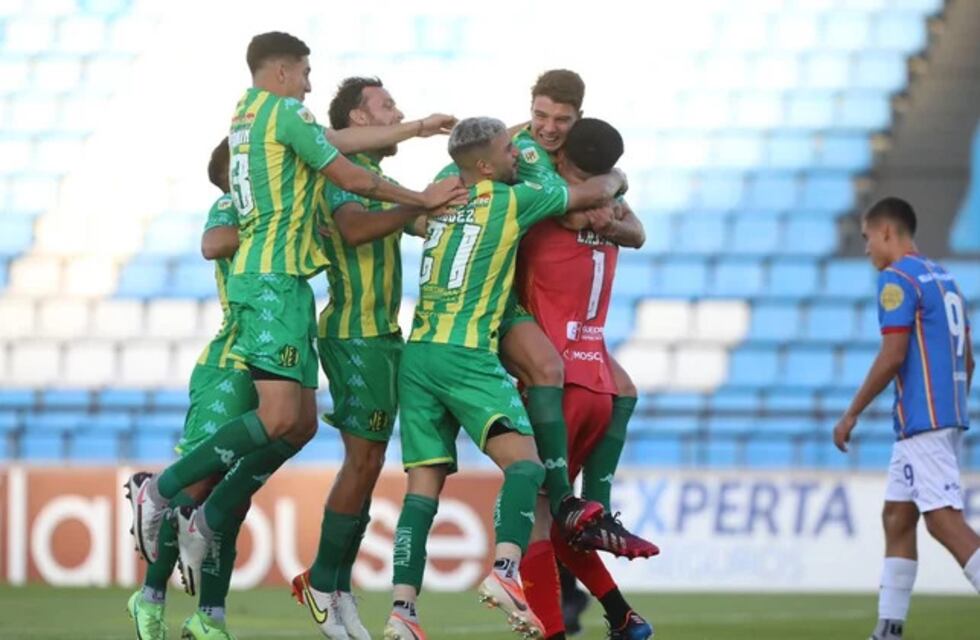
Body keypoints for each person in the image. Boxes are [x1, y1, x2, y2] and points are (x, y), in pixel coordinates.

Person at [127, 31, 465, 593]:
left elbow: (331, 139)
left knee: (301, 423)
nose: (309, 83)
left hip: (282, 285)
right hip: (272, 280)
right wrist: (422, 199)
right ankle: (163, 492)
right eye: (305, 72)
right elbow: (351, 175)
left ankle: (203, 518)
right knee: (282, 418)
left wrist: (415, 127)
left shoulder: (249, 113)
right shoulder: (286, 110)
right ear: (283, 72)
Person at [382, 117, 627, 640]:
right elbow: (588, 191)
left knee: (422, 490)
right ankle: (506, 571)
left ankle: (402, 610)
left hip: (418, 353)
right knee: (527, 467)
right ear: (488, 164)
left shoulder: (441, 199)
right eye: (508, 148)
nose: (521, 152)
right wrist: (614, 179)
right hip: (466, 354)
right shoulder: (510, 200)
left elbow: (408, 214)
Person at [290, 76, 435, 640]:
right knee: (361, 462)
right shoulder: (337, 178)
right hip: (354, 335)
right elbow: (354, 232)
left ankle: (338, 585)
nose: (398, 112)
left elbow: (425, 221)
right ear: (356, 119)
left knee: (370, 465)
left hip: (382, 337)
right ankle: (323, 580)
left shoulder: (384, 182)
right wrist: (416, 206)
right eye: (387, 106)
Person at [515, 118, 654, 640]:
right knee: (565, 526)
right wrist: (614, 190)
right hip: (599, 382)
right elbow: (630, 225)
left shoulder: (550, 208)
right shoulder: (613, 215)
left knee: (531, 526)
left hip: (556, 385)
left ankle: (553, 633)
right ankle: (624, 617)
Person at [127, 138, 256, 640]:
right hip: (230, 365)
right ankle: (150, 598)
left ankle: (210, 616)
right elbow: (214, 244)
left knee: (232, 502)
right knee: (197, 487)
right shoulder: (232, 205)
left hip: (266, 365)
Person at [832, 197, 978, 640]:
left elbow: (893, 355)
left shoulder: (896, 279)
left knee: (942, 519)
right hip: (942, 415)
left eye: (866, 238)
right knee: (897, 516)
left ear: (886, 233)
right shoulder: (945, 278)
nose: (866, 249)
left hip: (923, 420)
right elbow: (968, 358)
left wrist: (851, 413)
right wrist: (950, 407)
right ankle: (888, 628)